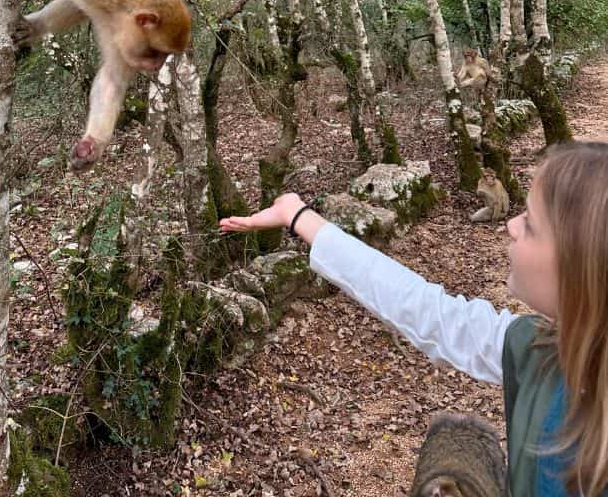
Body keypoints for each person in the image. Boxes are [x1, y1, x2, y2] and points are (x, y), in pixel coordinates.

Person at [219, 141, 608, 497]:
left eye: (531, 225)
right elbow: (421, 307)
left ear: (581, 267)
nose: (510, 224)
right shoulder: (535, 346)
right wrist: (299, 217)